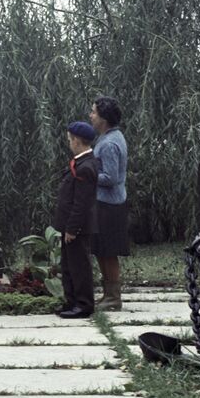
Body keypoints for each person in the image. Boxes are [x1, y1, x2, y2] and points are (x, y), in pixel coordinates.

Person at [53, 121, 99, 318]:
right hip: (69, 225)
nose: (69, 143)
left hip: (77, 227)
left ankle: (83, 304)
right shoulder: (80, 163)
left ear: (77, 141)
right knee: (69, 265)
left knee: (79, 266)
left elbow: (82, 203)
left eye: (70, 140)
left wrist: (72, 228)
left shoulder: (86, 167)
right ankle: (71, 301)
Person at [89, 96, 130, 312]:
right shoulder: (108, 138)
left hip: (109, 205)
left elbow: (111, 178)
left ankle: (114, 297)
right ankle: (108, 294)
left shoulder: (110, 143)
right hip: (106, 203)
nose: (91, 116)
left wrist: (88, 174)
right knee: (102, 250)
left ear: (103, 118)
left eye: (94, 112)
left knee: (108, 251)